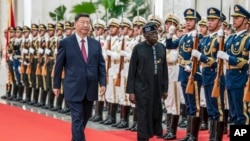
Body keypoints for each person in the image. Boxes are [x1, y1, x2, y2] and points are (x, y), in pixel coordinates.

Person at [53, 13, 106, 141]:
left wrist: (103, 83)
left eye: (88, 23)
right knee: (77, 118)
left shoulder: (95, 44)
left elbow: (101, 64)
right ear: (75, 24)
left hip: (90, 87)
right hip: (73, 86)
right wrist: (56, 85)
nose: (86, 25)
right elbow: (58, 66)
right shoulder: (65, 43)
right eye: (82, 22)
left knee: (85, 117)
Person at [126, 22, 168, 141]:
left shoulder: (161, 47)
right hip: (141, 88)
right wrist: (131, 91)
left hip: (157, 88)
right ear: (145, 35)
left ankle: (151, 135)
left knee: (155, 114)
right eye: (151, 33)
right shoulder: (138, 48)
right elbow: (132, 71)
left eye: (156, 33)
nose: (155, 35)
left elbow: (164, 69)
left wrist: (165, 89)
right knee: (143, 116)